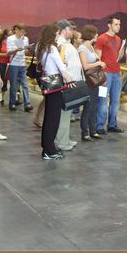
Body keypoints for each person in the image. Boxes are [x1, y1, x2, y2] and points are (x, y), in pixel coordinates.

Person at [36, 23, 72, 159]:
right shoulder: (52, 48)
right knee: (53, 119)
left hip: (48, 85)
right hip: (55, 87)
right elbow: (62, 68)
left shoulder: (42, 47)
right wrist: (70, 80)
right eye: (57, 34)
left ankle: (47, 147)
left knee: (48, 118)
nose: (58, 36)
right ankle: (49, 150)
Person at [95, 15, 125, 134]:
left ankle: (112, 125)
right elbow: (98, 58)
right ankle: (99, 126)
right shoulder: (101, 38)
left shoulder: (118, 39)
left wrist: (120, 55)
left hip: (117, 73)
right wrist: (101, 75)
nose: (118, 26)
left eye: (119, 24)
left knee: (116, 101)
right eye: (116, 24)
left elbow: (116, 57)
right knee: (103, 100)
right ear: (109, 25)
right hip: (105, 74)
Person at [55, 19, 80, 151]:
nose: (73, 31)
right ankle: (61, 142)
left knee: (67, 113)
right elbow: (61, 65)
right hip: (66, 83)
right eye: (70, 29)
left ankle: (64, 139)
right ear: (64, 30)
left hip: (71, 82)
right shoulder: (60, 44)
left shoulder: (67, 43)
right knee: (64, 114)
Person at [78, 25, 105, 141]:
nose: (97, 35)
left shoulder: (91, 47)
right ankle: (85, 133)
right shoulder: (82, 48)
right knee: (88, 107)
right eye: (95, 33)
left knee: (94, 106)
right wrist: (98, 63)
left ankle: (93, 131)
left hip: (95, 81)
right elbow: (85, 66)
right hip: (88, 81)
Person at [6, 24, 33, 112]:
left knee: (25, 84)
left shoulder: (25, 39)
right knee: (14, 85)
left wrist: (27, 48)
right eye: (21, 31)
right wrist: (17, 49)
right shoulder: (10, 39)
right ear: (16, 30)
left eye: (24, 32)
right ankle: (12, 103)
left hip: (22, 64)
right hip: (13, 64)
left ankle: (27, 104)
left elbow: (26, 52)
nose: (23, 33)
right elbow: (8, 53)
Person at [0, 28, 12, 104]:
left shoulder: (12, 42)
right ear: (6, 35)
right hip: (1, 63)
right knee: (1, 80)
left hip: (9, 64)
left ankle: (2, 98)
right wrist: (5, 54)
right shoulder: (0, 42)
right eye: (9, 34)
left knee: (6, 81)